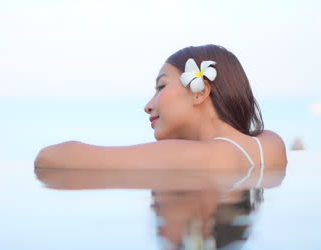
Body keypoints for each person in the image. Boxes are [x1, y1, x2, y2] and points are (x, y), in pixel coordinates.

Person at [34, 44, 287, 169]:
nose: (148, 106)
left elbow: (49, 159)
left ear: (200, 93)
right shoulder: (271, 144)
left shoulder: (192, 156)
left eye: (161, 87)